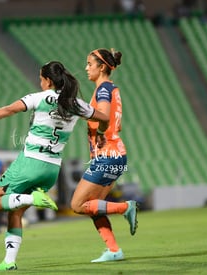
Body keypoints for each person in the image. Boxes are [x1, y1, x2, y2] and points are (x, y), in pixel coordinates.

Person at [0, 61, 109, 271]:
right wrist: (100, 133)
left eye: (41, 78)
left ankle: (34, 199)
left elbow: (10, 109)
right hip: (51, 169)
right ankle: (9, 261)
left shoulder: (39, 98)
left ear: (48, 81)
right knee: (15, 211)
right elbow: (104, 118)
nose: (39, 82)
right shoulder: (75, 103)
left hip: (30, 162)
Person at [70, 48, 138, 263]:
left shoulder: (103, 90)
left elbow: (105, 117)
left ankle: (125, 207)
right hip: (117, 154)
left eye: (90, 64)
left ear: (101, 67)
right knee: (95, 205)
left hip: (107, 156)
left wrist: (99, 132)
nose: (86, 68)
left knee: (78, 205)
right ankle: (114, 250)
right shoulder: (111, 89)